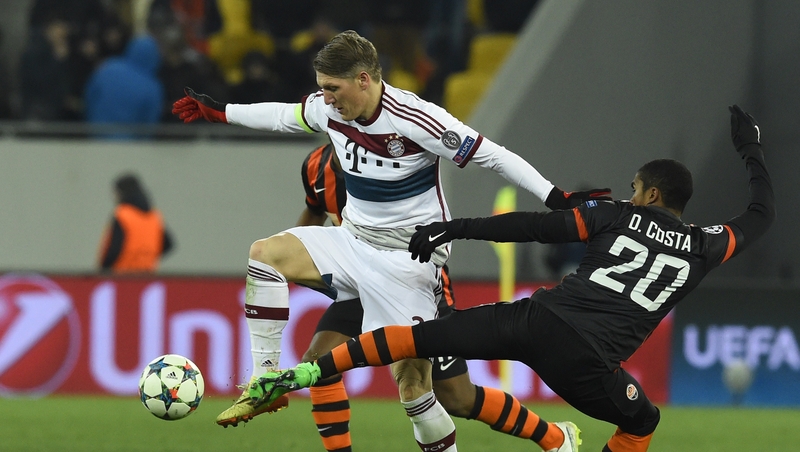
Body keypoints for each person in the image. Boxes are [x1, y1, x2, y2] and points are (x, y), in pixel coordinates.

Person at [172, 30, 609, 450]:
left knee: (418, 389)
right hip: (353, 241)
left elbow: (492, 155)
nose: (325, 99)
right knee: (264, 255)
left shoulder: (416, 118)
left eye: (333, 88)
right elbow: (284, 115)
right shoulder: (330, 112)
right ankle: (265, 382)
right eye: (321, 89)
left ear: (364, 80)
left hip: (409, 260)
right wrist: (221, 111)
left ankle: (553, 437)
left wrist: (555, 196)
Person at [246, 105, 775, 452]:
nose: (631, 193)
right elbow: (761, 213)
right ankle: (295, 377)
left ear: (652, 196)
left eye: (637, 188)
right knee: (642, 423)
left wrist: (455, 228)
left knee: (421, 358)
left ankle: (297, 377)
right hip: (588, 362)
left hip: (524, 315)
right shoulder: (709, 244)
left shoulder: (615, 215)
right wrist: (751, 150)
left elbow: (534, 229)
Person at [296, 142, 571, 452]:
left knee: (455, 397)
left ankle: (555, 438)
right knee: (318, 365)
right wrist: (303, 257)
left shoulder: (392, 158)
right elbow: (314, 211)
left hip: (414, 284)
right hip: (358, 286)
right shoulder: (315, 166)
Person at [98, 173, 174, 273]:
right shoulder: (154, 216)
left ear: (121, 193)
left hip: (121, 276)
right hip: (147, 275)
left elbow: (114, 249)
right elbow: (168, 244)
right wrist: (146, 257)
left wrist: (103, 270)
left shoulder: (122, 214)